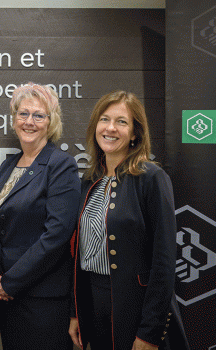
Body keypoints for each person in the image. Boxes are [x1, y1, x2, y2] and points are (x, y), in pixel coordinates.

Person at [68, 91, 190, 350]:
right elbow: (80, 254)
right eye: (104, 119)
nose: (110, 128)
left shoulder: (151, 178)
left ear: (135, 133)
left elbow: (165, 261)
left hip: (136, 310)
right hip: (94, 306)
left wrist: (149, 332)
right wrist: (76, 312)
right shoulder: (90, 181)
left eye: (121, 122)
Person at [0, 82, 80, 350]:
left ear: (51, 122)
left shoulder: (60, 165)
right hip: (5, 294)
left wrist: (10, 282)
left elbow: (56, 235)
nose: (29, 122)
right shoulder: (8, 165)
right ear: (14, 120)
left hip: (42, 300)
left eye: (38, 115)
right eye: (23, 114)